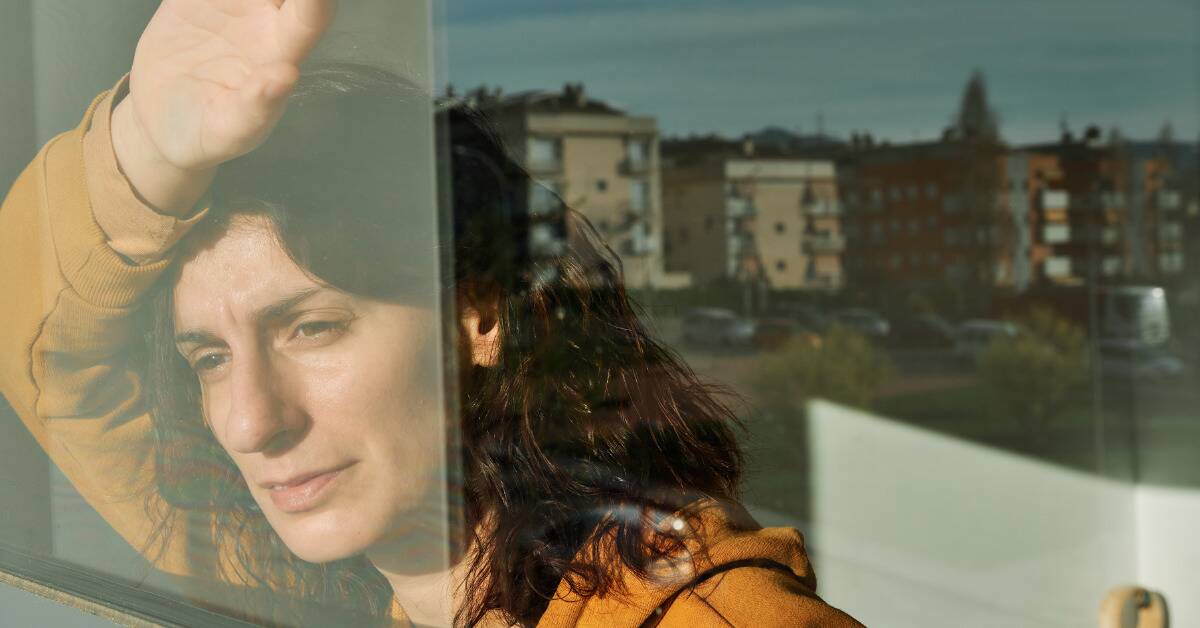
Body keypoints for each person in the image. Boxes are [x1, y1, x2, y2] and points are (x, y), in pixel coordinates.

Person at [0, 1, 862, 626]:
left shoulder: (712, 617)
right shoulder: (320, 576)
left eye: (311, 327)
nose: (251, 422)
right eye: (209, 358)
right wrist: (146, 153)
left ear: (477, 320)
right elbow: (42, 348)